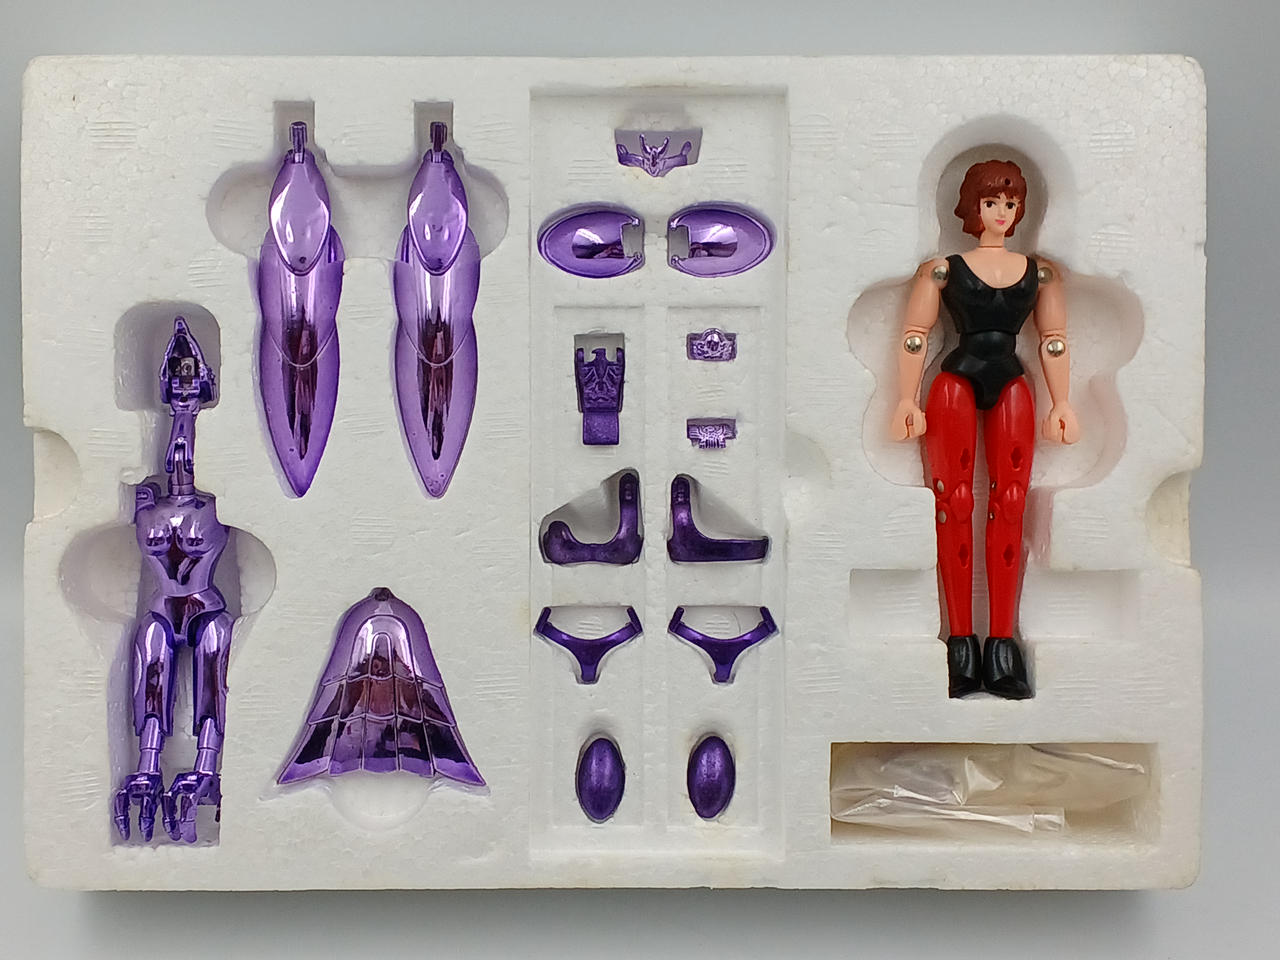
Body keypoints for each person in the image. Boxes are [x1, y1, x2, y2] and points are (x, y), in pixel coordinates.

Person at [891, 159, 1079, 699]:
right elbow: (915, 333)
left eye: (1010, 203)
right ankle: (961, 643)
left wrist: (1062, 401)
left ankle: (1001, 644)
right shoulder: (943, 271)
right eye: (992, 202)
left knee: (1010, 503)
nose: (1001, 212)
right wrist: (906, 398)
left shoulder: (1040, 274)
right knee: (953, 503)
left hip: (1012, 382)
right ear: (973, 207)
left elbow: (1054, 339)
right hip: (955, 381)